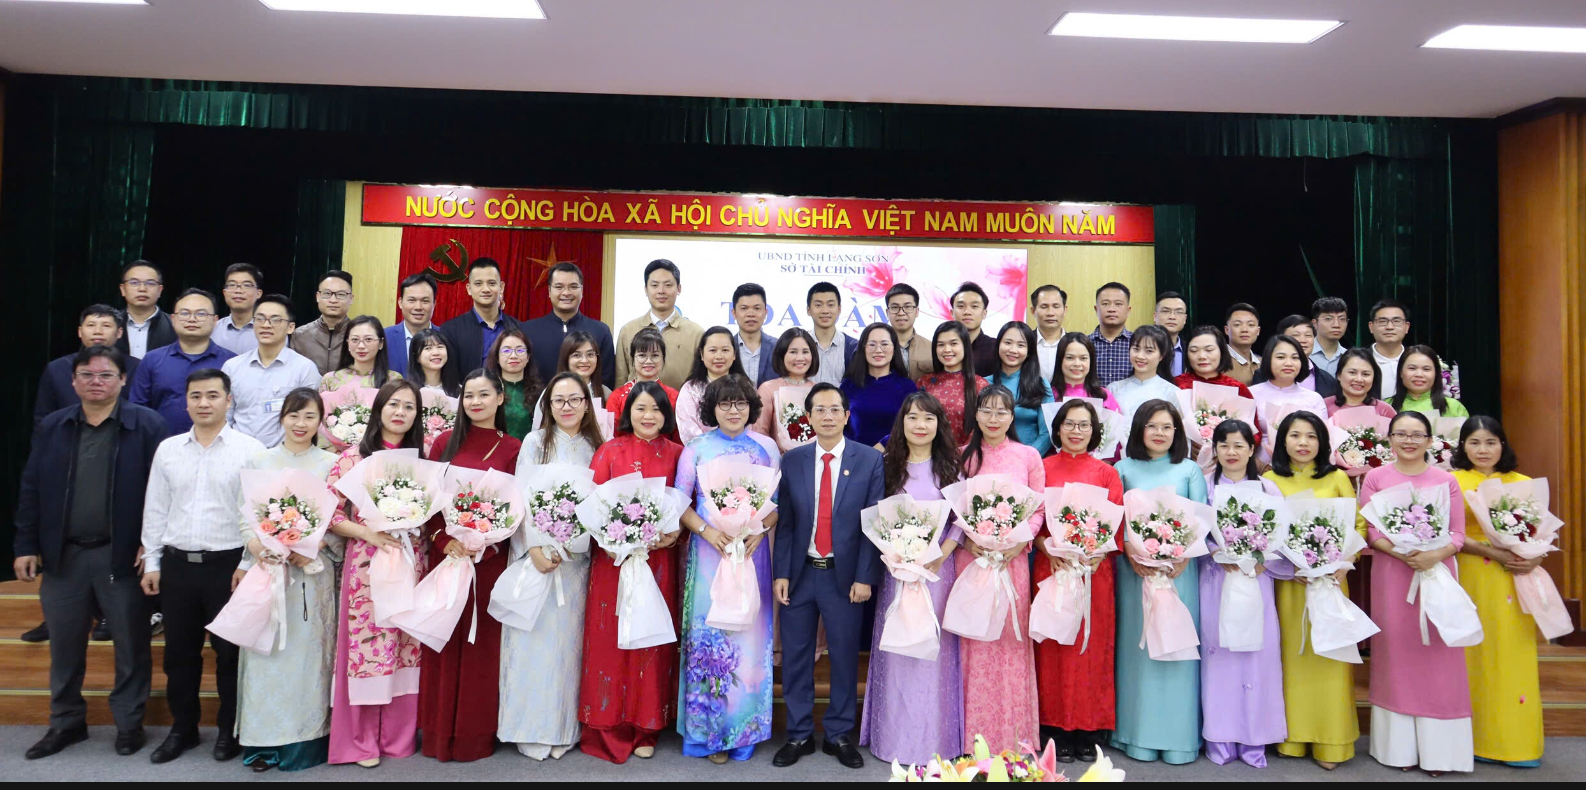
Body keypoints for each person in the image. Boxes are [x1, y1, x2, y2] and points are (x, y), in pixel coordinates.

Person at [14, 346, 164, 760]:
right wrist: (26, 545)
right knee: (64, 646)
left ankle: (129, 724)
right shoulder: (54, 425)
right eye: (87, 374)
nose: (96, 381)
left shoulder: (147, 424)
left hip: (123, 556)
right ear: (73, 380)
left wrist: (152, 545)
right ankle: (66, 722)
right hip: (64, 557)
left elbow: (165, 491)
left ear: (123, 380)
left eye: (105, 374)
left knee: (131, 645)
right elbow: (31, 487)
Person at [140, 368, 267, 763]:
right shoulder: (168, 450)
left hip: (229, 567)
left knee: (229, 655)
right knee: (179, 655)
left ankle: (229, 730)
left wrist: (248, 563)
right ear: (186, 402)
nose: (204, 403)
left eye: (213, 395)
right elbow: (156, 508)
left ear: (229, 401)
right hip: (177, 566)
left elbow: (259, 514)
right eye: (196, 396)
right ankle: (184, 729)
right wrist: (152, 561)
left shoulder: (251, 450)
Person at [770, 383, 884, 770]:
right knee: (796, 656)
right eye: (819, 409)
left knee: (844, 657)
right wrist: (782, 573)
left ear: (847, 416)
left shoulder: (868, 460)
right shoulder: (794, 460)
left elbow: (872, 523)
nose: (828, 416)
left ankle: (838, 735)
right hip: (801, 573)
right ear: (809, 417)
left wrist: (865, 576)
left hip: (845, 577)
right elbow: (786, 522)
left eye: (835, 409)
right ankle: (799, 734)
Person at [1359, 410, 1473, 775]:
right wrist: (1404, 553)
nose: (1409, 441)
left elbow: (1457, 534)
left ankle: (1441, 753)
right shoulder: (1375, 477)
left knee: (1440, 655)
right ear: (1389, 439)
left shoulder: (1446, 480)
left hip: (1437, 573)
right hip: (1392, 575)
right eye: (1401, 434)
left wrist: (1433, 555)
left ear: (1430, 440)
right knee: (1396, 654)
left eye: (1417, 434)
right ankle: (1398, 751)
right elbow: (1372, 532)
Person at [675, 376, 781, 764]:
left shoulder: (764, 450)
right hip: (709, 554)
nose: (733, 410)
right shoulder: (696, 449)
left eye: (740, 404)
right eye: (725, 403)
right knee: (710, 637)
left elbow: (776, 505)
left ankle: (742, 731)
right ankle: (708, 733)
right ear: (712, 409)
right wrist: (708, 531)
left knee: (748, 640)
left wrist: (759, 531)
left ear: (751, 408)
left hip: (752, 555)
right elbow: (680, 502)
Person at [418, 368, 522, 762]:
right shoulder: (444, 441)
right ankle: (438, 733)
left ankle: (474, 736)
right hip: (446, 555)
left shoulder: (512, 447)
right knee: (443, 640)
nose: (475, 402)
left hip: (488, 560)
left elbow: (515, 509)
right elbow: (428, 501)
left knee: (481, 647)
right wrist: (442, 540)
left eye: (484, 394)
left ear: (500, 398)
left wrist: (487, 547)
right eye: (469, 396)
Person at [579, 381, 685, 763]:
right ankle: (607, 722)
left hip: (659, 562)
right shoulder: (609, 451)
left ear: (666, 415)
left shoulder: (677, 453)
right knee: (611, 637)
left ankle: (646, 725)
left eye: (656, 409)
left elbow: (687, 505)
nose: (648, 416)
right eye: (641, 408)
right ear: (628, 413)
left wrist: (673, 533)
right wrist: (609, 540)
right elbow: (591, 506)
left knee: (651, 641)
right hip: (614, 562)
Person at [234, 387, 340, 772]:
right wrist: (256, 546)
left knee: (308, 658)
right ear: (281, 417)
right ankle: (262, 744)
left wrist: (313, 545)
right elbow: (245, 515)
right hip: (269, 571)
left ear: (321, 422)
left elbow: (339, 519)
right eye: (294, 415)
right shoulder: (259, 460)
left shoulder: (332, 464)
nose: (300, 423)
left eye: (310, 416)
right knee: (266, 655)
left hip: (312, 575)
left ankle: (305, 742)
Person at [324, 378, 428, 767]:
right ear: (379, 409)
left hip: (411, 560)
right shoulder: (353, 458)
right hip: (367, 564)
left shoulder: (423, 461)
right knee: (369, 647)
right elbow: (329, 512)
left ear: (417, 415)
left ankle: (398, 736)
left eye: (409, 406)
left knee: (405, 644)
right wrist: (367, 532)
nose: (400, 412)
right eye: (393, 404)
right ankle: (361, 740)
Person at [501, 373, 604, 760]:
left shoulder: (597, 447)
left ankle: (562, 728)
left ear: (586, 404)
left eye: (575, 399)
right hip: (537, 557)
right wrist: (534, 546)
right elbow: (521, 498)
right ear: (547, 406)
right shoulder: (534, 442)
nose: (567, 407)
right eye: (558, 400)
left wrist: (579, 541)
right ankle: (528, 728)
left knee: (567, 647)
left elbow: (602, 503)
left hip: (576, 563)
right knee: (533, 641)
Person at [858, 392, 963, 765]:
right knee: (898, 649)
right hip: (896, 572)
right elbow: (873, 516)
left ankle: (936, 739)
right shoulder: (886, 466)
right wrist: (897, 556)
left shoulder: (951, 467)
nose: (921, 425)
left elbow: (960, 522)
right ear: (901, 423)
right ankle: (893, 740)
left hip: (937, 573)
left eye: (929, 418)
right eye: (913, 417)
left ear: (939, 425)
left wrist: (939, 556)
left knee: (934, 651)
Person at [1262, 411, 1362, 769]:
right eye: (1294, 435)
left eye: (1311, 436)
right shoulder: (1269, 479)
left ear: (1322, 442)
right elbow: (1263, 530)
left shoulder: (1337, 477)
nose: (1303, 443)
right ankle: (1292, 737)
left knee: (1330, 655)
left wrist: (1341, 562)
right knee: (1291, 657)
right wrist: (1289, 567)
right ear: (1282, 441)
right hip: (1290, 585)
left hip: (1330, 583)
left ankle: (1332, 741)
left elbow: (1358, 525)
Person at [1111, 399, 1206, 764]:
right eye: (1152, 426)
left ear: (1177, 432)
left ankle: (1179, 739)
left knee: (1177, 648)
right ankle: (1136, 735)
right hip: (1135, 572)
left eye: (1167, 427)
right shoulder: (1122, 468)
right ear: (1139, 429)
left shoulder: (1190, 470)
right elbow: (1116, 519)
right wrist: (1130, 550)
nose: (1160, 433)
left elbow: (1201, 519)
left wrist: (1184, 555)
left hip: (1179, 574)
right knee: (1139, 649)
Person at [952, 383, 1042, 753]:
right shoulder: (961, 456)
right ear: (975, 414)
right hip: (972, 561)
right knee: (973, 640)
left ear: (1011, 416)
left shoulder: (1028, 456)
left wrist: (1020, 542)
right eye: (986, 410)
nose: (993, 418)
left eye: (1001, 411)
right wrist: (968, 541)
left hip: (1011, 561)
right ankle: (969, 734)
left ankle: (1012, 734)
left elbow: (1037, 510)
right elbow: (952, 510)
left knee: (1010, 641)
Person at [1450, 416, 1544, 768]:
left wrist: (1535, 557)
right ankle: (1474, 741)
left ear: (1503, 445)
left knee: (1511, 654)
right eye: (1474, 442)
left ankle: (1517, 744)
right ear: (1462, 446)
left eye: (1491, 442)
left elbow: (1540, 533)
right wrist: (1490, 550)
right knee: (1472, 657)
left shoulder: (1523, 483)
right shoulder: (1452, 482)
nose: (1483, 450)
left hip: (1512, 579)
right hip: (1469, 576)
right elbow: (1448, 534)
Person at [1034, 399, 1122, 763]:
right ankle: (1055, 728)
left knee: (1091, 650)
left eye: (1084, 425)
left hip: (1093, 574)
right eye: (1069, 424)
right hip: (1052, 568)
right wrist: (1045, 546)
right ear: (1057, 428)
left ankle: (1089, 729)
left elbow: (1116, 528)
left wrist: (1100, 552)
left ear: (1095, 431)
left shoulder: (1107, 473)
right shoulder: (1042, 468)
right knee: (1054, 646)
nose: (1076, 431)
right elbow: (1033, 521)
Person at [1200, 419, 1288, 767]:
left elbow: (1284, 535)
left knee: (1256, 657)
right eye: (1224, 445)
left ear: (1252, 449)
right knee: (1218, 655)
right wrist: (1215, 552)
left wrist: (1265, 559)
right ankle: (1220, 737)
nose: (1231, 452)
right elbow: (1196, 531)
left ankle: (1254, 739)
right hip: (1216, 580)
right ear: (1215, 449)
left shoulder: (1268, 488)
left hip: (1256, 580)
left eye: (1239, 445)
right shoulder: (1205, 486)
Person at [129, 289, 236, 437]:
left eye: (201, 314)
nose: (192, 319)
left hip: (217, 444)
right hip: (161, 444)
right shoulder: (152, 359)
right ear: (173, 319)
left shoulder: (231, 362)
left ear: (215, 320)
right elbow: (138, 409)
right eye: (185, 313)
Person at [222, 294, 321, 447]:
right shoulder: (232, 367)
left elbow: (310, 420)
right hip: (238, 453)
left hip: (284, 456)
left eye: (275, 320)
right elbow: (225, 416)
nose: (266, 325)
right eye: (260, 319)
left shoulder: (305, 369)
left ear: (290, 327)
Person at [35, 304, 139, 426]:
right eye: (91, 325)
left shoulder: (136, 367)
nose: (98, 331)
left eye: (106, 326)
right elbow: (43, 416)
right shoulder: (57, 368)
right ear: (80, 332)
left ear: (119, 332)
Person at [523, 262, 616, 390]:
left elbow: (606, 379)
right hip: (538, 401)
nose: (566, 292)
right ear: (549, 291)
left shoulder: (601, 331)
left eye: (573, 286)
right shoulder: (528, 330)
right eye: (559, 287)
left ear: (582, 290)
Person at [614, 259, 702, 389]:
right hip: (635, 402)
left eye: (668, 285)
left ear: (678, 289)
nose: (661, 291)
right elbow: (620, 381)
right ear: (646, 289)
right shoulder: (628, 331)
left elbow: (700, 382)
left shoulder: (696, 333)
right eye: (654, 285)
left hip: (679, 402)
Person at [439, 258, 523, 379]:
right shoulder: (451, 330)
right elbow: (448, 376)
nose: (485, 289)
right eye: (478, 284)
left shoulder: (520, 328)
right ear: (469, 289)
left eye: (491, 283)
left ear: (501, 287)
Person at [841, 323, 918, 448]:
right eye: (872, 344)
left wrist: (883, 445)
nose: (878, 350)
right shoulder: (849, 385)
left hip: (895, 454)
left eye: (884, 344)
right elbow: (839, 423)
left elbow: (913, 424)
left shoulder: (907, 387)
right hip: (855, 455)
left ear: (894, 349)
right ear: (863, 348)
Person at [1249, 335, 1328, 451]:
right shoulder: (1251, 394)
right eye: (1281, 357)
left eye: (1295, 358)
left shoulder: (1314, 398)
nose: (1289, 363)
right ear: (1268, 360)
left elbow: (1322, 439)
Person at [916, 321, 988, 448]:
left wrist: (964, 454)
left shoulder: (980, 385)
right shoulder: (924, 382)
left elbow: (982, 426)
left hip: (966, 455)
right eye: (941, 345)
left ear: (965, 346)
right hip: (928, 453)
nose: (947, 350)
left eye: (953, 343)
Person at [989, 321, 1054, 455]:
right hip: (990, 458)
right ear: (998, 345)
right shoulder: (983, 383)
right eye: (1008, 343)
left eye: (1021, 345)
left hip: (1029, 459)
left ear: (1029, 351)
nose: (1013, 350)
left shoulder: (1041, 385)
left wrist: (1025, 459)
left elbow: (1047, 432)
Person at [675, 326, 748, 444]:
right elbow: (688, 429)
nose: (719, 356)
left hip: (742, 450)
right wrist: (714, 448)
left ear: (734, 354)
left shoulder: (746, 387)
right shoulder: (690, 389)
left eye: (725, 350)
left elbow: (752, 426)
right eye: (713, 350)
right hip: (702, 452)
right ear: (702, 354)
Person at [753, 328, 820, 453]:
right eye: (793, 352)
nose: (800, 358)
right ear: (781, 355)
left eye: (805, 352)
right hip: (778, 460)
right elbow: (760, 433)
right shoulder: (768, 389)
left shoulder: (819, 391)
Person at [530, 331, 611, 429]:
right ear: (566, 359)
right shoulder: (552, 392)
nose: (584, 360)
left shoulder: (605, 393)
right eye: (577, 355)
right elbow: (538, 430)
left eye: (590, 354)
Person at [1107, 325, 1182, 431]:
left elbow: (1178, 432)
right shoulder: (1114, 389)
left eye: (1149, 351)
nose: (1140, 356)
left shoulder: (1173, 393)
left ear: (1161, 355)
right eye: (1136, 349)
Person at [1252, 315, 1341, 399]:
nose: (1303, 340)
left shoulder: (1327, 379)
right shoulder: (1262, 375)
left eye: (1308, 335)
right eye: (1295, 335)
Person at [291, 271, 355, 376]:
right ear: (318, 296)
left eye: (341, 294)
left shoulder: (359, 336)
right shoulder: (300, 336)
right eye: (327, 294)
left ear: (351, 298)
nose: (333, 300)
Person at [606, 327, 679, 418]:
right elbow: (612, 427)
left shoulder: (673, 396)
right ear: (633, 358)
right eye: (642, 355)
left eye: (655, 355)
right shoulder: (617, 396)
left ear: (663, 358)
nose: (648, 361)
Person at [484, 329, 543, 440]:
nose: (513, 356)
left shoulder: (540, 393)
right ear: (497, 357)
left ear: (528, 357)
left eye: (520, 350)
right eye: (506, 351)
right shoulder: (487, 391)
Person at [320, 315, 398, 393]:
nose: (361, 346)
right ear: (347, 343)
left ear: (381, 343)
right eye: (355, 339)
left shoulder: (393, 379)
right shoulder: (331, 379)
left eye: (368, 339)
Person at [1174, 326, 1256, 400]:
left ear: (1222, 352)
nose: (1202, 356)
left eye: (1209, 350)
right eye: (1194, 351)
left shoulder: (1238, 389)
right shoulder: (1175, 385)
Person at [115, 260, 175, 360]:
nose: (142, 289)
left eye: (150, 283)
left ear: (160, 290)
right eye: (134, 283)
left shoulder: (175, 325)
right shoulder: (110, 324)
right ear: (123, 289)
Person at [1054, 332, 1123, 418]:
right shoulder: (1049, 395)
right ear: (1060, 360)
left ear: (1091, 361)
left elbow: (1117, 425)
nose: (1077, 364)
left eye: (1083, 358)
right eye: (1070, 358)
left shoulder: (1103, 396)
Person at [1389, 345, 1468, 417]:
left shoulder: (1454, 407)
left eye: (1426, 369)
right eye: (1412, 368)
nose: (1419, 374)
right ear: (1401, 372)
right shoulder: (1387, 407)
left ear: (1436, 373)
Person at [385, 271, 437, 379]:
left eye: (425, 301)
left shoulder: (447, 338)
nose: (418, 307)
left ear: (434, 304)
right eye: (412, 300)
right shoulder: (384, 337)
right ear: (400, 302)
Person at [805, 281, 857, 388]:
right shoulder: (797, 344)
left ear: (839, 309)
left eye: (830, 305)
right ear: (808, 310)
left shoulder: (853, 347)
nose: (825, 311)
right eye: (818, 305)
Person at [729, 282, 778, 386]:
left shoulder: (778, 347)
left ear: (765, 312)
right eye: (744, 308)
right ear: (734, 313)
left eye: (757, 308)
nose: (751, 314)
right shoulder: (727, 348)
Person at [1326, 348, 1396, 418]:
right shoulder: (1325, 406)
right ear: (1339, 375)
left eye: (1365, 374)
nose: (1359, 379)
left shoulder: (1384, 411)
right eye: (1352, 373)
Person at [1088, 282, 1134, 387]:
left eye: (1118, 304)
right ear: (1096, 309)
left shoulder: (1137, 344)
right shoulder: (1084, 344)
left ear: (1128, 310)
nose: (1111, 309)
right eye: (1105, 304)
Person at [885, 283, 934, 380]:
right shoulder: (876, 349)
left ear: (917, 311)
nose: (901, 313)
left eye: (908, 307)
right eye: (895, 307)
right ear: (887, 312)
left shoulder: (932, 349)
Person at [211, 263, 262, 356]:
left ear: (258, 293)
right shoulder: (212, 329)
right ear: (224, 293)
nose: (238, 291)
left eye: (246, 285)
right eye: (232, 285)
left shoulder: (269, 330)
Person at [951, 282, 999, 377]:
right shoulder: (944, 348)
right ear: (952, 313)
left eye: (974, 306)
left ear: (984, 313)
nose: (967, 312)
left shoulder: (996, 347)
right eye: (961, 306)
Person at [1367, 299, 1411, 398]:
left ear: (1407, 327)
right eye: (1382, 321)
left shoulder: (1418, 359)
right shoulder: (1359, 360)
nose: (1390, 327)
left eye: (1396, 321)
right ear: (1371, 327)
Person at [1030, 285, 1069, 383]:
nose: (1050, 313)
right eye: (1044, 307)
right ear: (1033, 311)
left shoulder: (1074, 344)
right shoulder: (1025, 342)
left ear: (1065, 310)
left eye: (1056, 306)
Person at [407, 327, 461, 398]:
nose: (436, 353)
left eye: (440, 347)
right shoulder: (408, 391)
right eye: (428, 348)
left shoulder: (459, 391)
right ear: (416, 357)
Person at [1309, 297, 1350, 377]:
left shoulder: (1350, 357)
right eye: (1328, 319)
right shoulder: (1303, 354)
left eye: (1342, 319)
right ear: (1314, 323)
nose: (1336, 325)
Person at [1224, 303, 1262, 385]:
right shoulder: (1218, 361)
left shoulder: (1264, 363)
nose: (1244, 329)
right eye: (1237, 325)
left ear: (1258, 331)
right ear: (1226, 330)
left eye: (1251, 325)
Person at [1152, 291, 1189, 376]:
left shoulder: (1190, 350)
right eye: (1166, 311)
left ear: (1185, 319)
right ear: (1155, 316)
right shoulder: (1142, 349)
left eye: (1179, 312)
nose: (1172, 317)